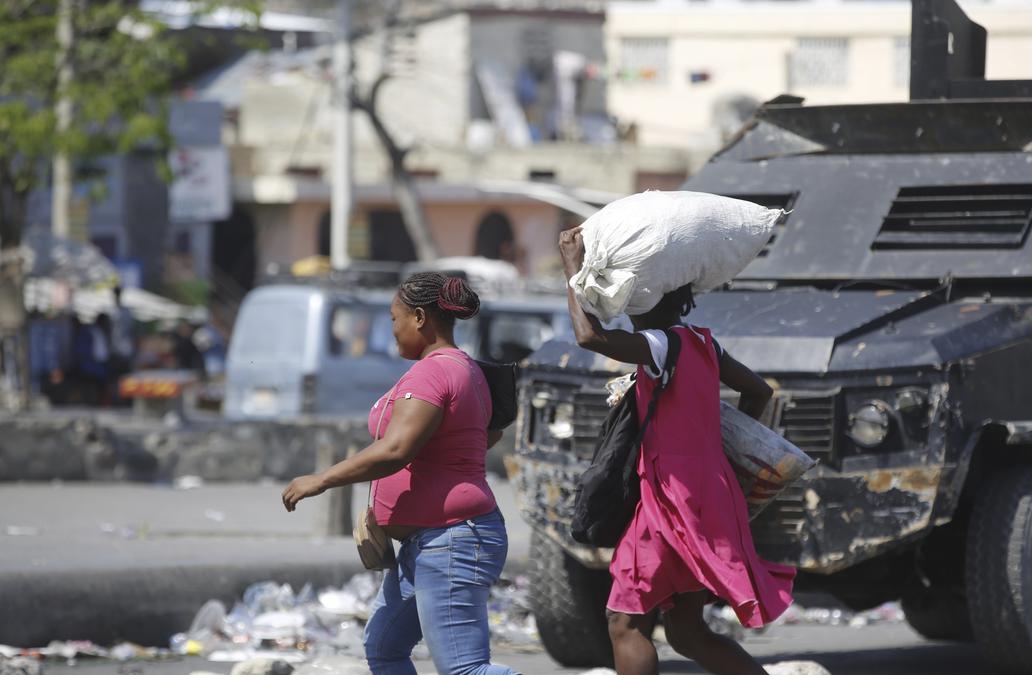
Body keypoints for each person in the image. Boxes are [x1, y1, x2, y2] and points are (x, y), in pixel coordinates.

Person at [558, 227, 796, 675]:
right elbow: (758, 390)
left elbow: (589, 338)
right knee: (687, 631)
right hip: (709, 496)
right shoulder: (704, 341)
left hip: (670, 501)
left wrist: (572, 270)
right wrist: (714, 443)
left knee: (624, 624)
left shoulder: (660, 343)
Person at [281, 272, 518, 675]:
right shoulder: (462, 368)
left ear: (420, 318)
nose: (392, 331)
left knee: (465, 669)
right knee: (384, 647)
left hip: (451, 538)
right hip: (427, 543)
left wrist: (320, 480)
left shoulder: (434, 372)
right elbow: (483, 436)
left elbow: (394, 450)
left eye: (394, 319)